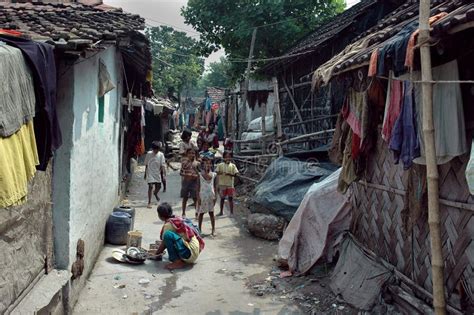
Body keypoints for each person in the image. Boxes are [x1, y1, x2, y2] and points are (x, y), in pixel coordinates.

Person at [155, 202, 204, 270]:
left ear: (161, 216)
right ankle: (180, 258)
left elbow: (164, 242)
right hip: (195, 250)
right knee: (171, 238)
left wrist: (156, 254)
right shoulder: (177, 218)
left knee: (167, 235)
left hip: (189, 254)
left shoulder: (168, 225)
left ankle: (177, 262)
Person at [197, 157, 217, 236]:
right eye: (206, 164)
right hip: (203, 196)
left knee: (211, 213)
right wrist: (198, 198)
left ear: (211, 165)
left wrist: (216, 197)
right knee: (201, 213)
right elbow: (197, 188)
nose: (208, 165)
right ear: (203, 165)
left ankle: (213, 229)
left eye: (209, 164)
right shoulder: (200, 175)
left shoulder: (214, 175)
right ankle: (199, 229)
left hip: (210, 196)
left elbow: (216, 186)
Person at [216, 151, 239, 216]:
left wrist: (230, 174)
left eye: (229, 157)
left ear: (231, 158)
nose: (227, 158)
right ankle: (221, 211)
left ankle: (231, 212)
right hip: (222, 184)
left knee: (230, 198)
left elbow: (236, 174)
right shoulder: (220, 165)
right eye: (226, 157)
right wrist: (221, 173)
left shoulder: (233, 166)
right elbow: (216, 172)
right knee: (222, 198)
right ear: (223, 157)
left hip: (230, 184)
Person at [144, 142, 165, 208]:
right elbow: (146, 164)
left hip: (157, 172)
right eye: (155, 149)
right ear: (152, 149)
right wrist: (145, 173)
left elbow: (162, 165)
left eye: (157, 149)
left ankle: (155, 193)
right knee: (150, 186)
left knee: (158, 186)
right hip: (150, 172)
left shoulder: (161, 155)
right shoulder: (149, 154)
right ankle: (149, 202)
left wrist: (163, 174)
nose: (156, 151)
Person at [180, 148, 200, 217]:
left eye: (193, 153)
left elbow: (199, 174)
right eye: (190, 153)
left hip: (194, 183)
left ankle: (196, 213)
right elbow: (181, 172)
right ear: (187, 154)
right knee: (185, 198)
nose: (192, 155)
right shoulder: (184, 163)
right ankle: (183, 213)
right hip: (186, 182)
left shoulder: (197, 163)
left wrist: (195, 176)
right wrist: (186, 175)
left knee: (195, 198)